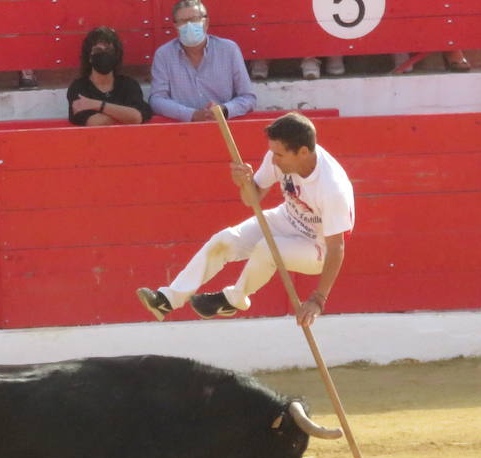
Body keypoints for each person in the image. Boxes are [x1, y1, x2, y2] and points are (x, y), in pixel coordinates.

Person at [135, 112, 354, 326]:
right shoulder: (276, 155)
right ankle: (168, 299)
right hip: (286, 218)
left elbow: (337, 248)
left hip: (318, 247)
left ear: (303, 152)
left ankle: (234, 298)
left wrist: (318, 300)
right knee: (225, 240)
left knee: (268, 248)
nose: (274, 160)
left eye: (279, 155)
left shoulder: (332, 187)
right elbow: (252, 199)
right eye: (273, 153)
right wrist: (244, 183)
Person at [148, 0, 256, 123]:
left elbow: (248, 98)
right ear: (175, 26)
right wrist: (192, 114)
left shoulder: (228, 50)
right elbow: (156, 100)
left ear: (206, 22)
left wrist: (224, 110)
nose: (189, 25)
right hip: (182, 130)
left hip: (224, 127)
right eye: (183, 21)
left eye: (194, 19)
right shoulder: (164, 55)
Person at [66, 26, 153, 126]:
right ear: (89, 57)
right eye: (98, 50)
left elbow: (136, 117)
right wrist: (124, 115)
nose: (103, 54)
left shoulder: (129, 85)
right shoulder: (79, 87)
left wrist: (96, 105)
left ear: (116, 56)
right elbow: (95, 122)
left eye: (108, 50)